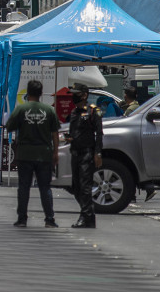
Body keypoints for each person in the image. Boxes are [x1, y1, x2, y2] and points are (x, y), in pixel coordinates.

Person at [5, 80, 60, 228]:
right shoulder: (49, 110)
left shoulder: (21, 109)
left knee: (24, 187)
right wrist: (55, 152)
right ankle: (49, 219)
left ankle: (22, 219)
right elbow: (55, 133)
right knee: (45, 188)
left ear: (28, 93)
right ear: (41, 93)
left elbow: (9, 126)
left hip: (25, 154)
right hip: (44, 154)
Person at [68, 83, 104, 228]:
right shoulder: (74, 112)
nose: (73, 96)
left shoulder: (93, 111)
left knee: (85, 187)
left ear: (84, 95)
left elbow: (99, 134)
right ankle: (89, 215)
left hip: (86, 153)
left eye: (76, 93)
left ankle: (86, 216)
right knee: (75, 187)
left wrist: (98, 153)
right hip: (75, 153)